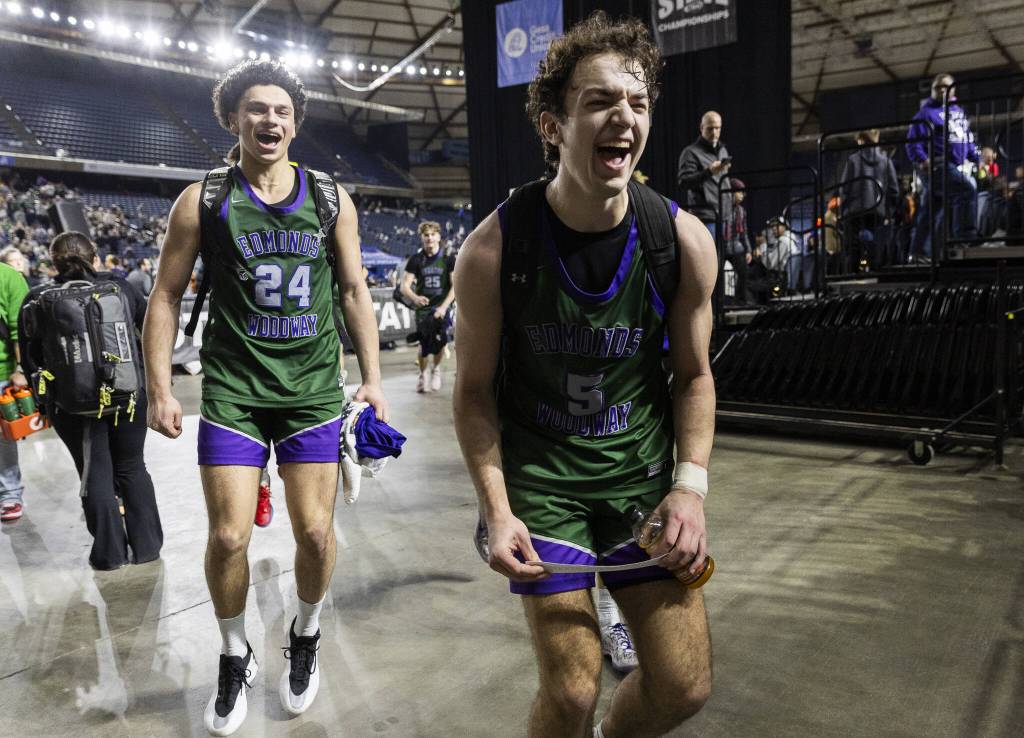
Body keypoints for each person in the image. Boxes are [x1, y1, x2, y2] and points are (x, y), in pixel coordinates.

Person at [453, 13, 714, 737]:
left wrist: (689, 488)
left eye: (637, 102)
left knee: (685, 685)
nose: (622, 117)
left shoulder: (681, 241)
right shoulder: (493, 250)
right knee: (571, 692)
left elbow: (694, 376)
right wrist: (498, 509)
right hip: (544, 489)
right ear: (552, 124)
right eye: (599, 101)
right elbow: (472, 393)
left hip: (639, 487)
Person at [142, 60, 388, 736]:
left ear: (296, 123)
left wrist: (370, 378)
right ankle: (232, 651)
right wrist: (160, 387)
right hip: (234, 390)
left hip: (310, 390)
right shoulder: (203, 199)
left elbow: (353, 291)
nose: (270, 120)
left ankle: (304, 633)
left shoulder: (330, 196)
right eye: (256, 109)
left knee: (314, 531)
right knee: (227, 535)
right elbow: (163, 296)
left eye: (282, 110)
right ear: (233, 119)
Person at [18, 232, 162, 568]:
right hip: (128, 394)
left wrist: (45, 403)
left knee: (94, 472)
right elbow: (149, 329)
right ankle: (147, 548)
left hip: (73, 404)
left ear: (52, 262)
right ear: (94, 256)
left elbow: (31, 359)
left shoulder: (37, 298)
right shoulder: (121, 287)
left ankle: (109, 555)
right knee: (132, 467)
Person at [906, 73, 980, 261]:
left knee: (932, 208)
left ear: (953, 89)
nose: (941, 90)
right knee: (967, 189)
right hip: (936, 164)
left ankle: (918, 251)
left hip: (953, 164)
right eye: (937, 87)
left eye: (945, 87)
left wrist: (975, 157)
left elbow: (965, 137)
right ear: (932, 90)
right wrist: (923, 160)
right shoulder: (925, 113)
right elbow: (913, 142)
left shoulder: (958, 112)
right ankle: (965, 238)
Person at [400, 221, 455, 393]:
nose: (430, 238)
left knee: (439, 342)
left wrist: (444, 307)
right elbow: (404, 286)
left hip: (442, 307)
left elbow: (456, 286)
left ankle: (436, 369)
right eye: (426, 235)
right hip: (423, 309)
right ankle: (423, 374)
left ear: (439, 236)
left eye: (433, 234)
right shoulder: (416, 260)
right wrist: (415, 298)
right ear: (422, 238)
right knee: (424, 345)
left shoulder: (448, 258)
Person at [839, 130, 898, 270]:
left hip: (854, 212)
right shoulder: (886, 161)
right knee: (875, 247)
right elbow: (894, 190)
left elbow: (844, 189)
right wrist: (888, 212)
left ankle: (852, 281)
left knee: (852, 248)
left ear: (861, 140)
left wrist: (843, 211)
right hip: (877, 211)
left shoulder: (853, 160)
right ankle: (875, 274)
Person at [0, 258, 28, 523]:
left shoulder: (8, 277)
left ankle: (9, 493)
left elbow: (19, 329)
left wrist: (21, 368)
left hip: (2, 372)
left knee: (2, 439)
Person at [677, 110, 732, 242]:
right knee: (708, 260)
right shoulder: (690, 152)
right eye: (710, 128)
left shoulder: (722, 150)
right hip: (705, 217)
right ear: (702, 128)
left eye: (717, 128)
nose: (714, 132)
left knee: (722, 260)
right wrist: (709, 172)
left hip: (725, 216)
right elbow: (683, 182)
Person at [724, 178, 751, 303]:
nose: (742, 195)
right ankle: (723, 302)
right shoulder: (722, 207)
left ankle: (741, 300)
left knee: (743, 271)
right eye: (739, 192)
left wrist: (748, 250)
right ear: (731, 192)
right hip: (722, 246)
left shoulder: (741, 211)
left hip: (736, 246)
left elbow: (744, 232)